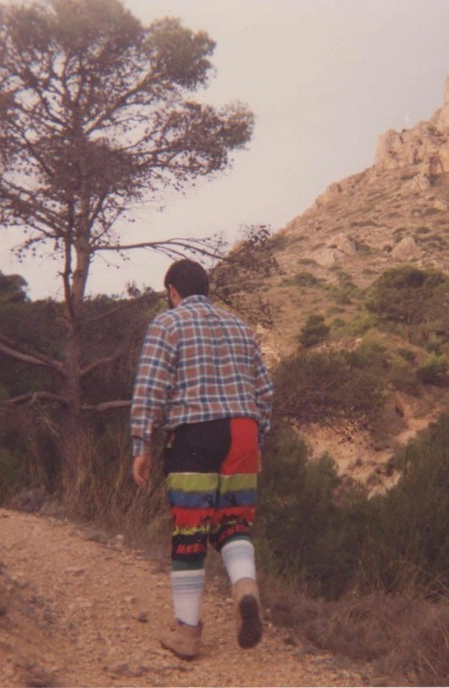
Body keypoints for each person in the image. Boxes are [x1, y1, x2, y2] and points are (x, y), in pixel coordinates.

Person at [130, 258, 273, 661]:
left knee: (190, 534)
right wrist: (258, 436)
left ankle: (188, 634)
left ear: (173, 291)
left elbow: (150, 387)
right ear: (206, 289)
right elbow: (265, 390)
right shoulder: (240, 327)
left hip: (195, 433)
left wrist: (141, 444)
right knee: (234, 524)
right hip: (243, 431)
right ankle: (244, 587)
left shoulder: (168, 324)